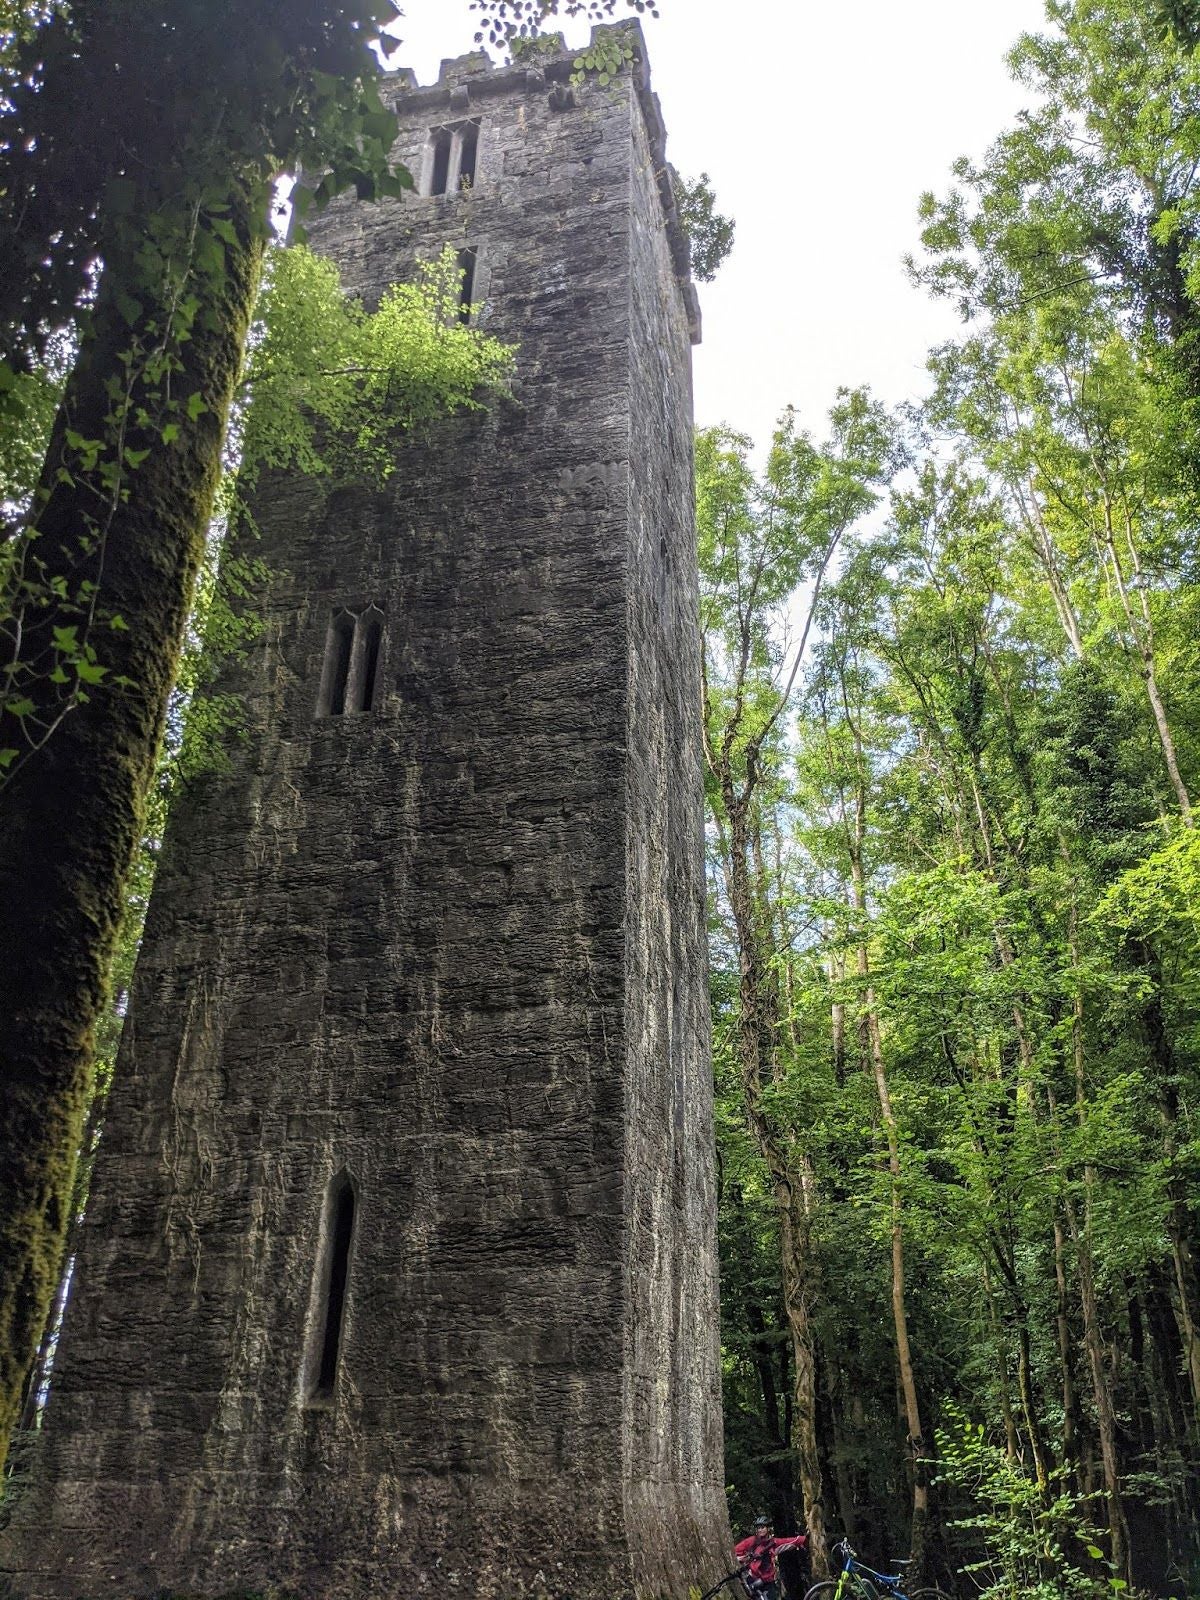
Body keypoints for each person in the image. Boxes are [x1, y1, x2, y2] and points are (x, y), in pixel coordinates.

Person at [733, 1515, 808, 1600]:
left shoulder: (774, 1543)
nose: (760, 1530)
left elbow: (790, 1541)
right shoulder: (752, 1541)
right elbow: (735, 1551)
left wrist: (804, 1539)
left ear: (768, 1528)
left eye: (762, 1527)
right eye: (758, 1528)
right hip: (753, 1579)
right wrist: (745, 1559)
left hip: (768, 1581)